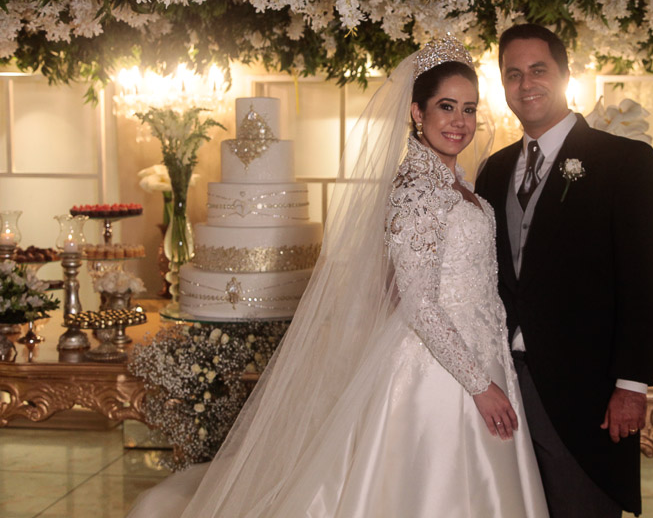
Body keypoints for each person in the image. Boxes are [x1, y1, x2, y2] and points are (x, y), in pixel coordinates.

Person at [127, 37, 549, 518]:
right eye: (446, 107)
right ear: (417, 112)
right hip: (440, 372)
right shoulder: (416, 191)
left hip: (479, 352)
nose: (460, 121)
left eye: (469, 109)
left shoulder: (454, 184)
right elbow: (418, 303)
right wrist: (479, 385)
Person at [475, 24, 653, 518]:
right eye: (513, 74)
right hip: (503, 386)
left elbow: (644, 282)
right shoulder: (493, 170)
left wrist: (631, 385)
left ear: (564, 75)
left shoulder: (625, 162)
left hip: (587, 392)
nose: (526, 84)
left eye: (538, 70)